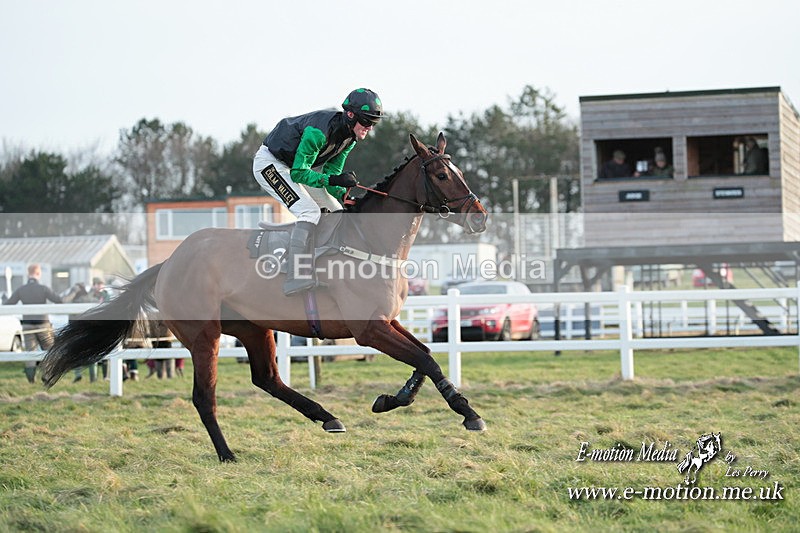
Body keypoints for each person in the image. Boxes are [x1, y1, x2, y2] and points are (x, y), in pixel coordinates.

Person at [252, 88, 384, 295]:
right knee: (310, 212)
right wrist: (332, 179)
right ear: (350, 115)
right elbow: (298, 174)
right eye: (367, 122)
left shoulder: (350, 138)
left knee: (336, 211)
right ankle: (294, 274)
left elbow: (331, 175)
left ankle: (324, 268)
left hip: (298, 167)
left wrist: (344, 194)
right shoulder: (318, 133)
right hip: (271, 164)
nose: (370, 128)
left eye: (374, 123)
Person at [3, 264, 62, 383]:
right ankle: (47, 376)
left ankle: (31, 379)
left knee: (30, 351)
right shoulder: (43, 288)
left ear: (27, 274)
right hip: (43, 324)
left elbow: (9, 303)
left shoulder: (21, 289)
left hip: (27, 324)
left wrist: (4, 299)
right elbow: (58, 300)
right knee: (49, 349)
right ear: (38, 274)